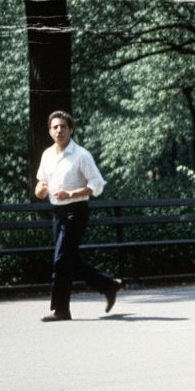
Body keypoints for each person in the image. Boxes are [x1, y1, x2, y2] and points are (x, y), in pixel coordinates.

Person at [34, 111, 122, 322]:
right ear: (49, 131)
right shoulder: (47, 155)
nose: (59, 130)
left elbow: (97, 185)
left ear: (71, 129)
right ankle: (108, 285)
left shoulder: (81, 155)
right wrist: (40, 190)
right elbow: (41, 185)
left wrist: (72, 194)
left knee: (61, 259)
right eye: (55, 127)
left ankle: (61, 309)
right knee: (68, 259)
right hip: (58, 212)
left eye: (63, 126)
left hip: (76, 211)